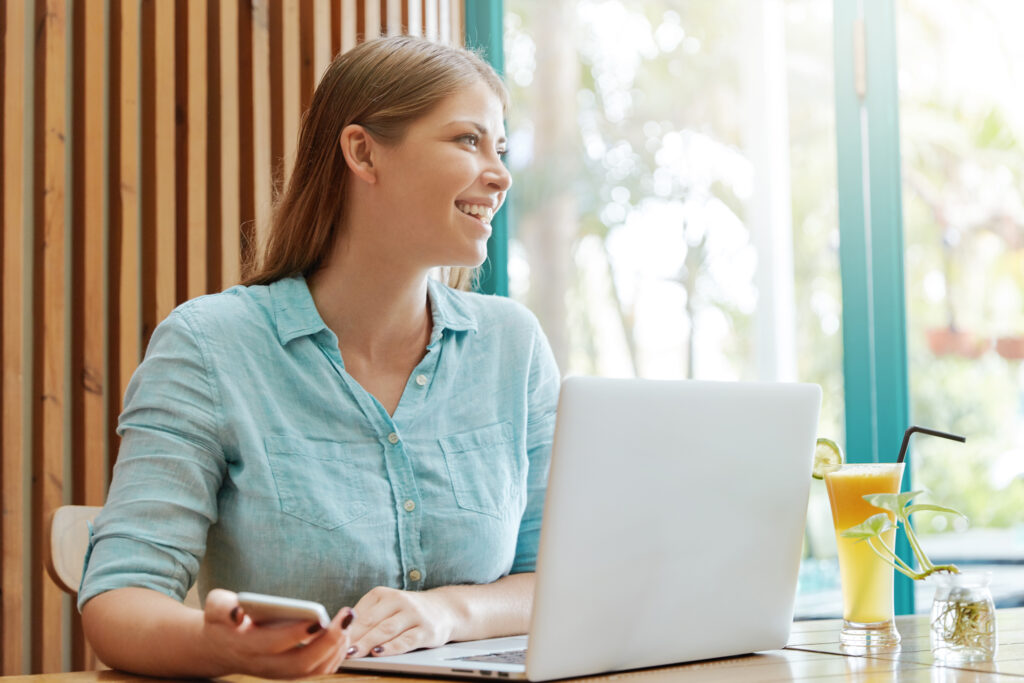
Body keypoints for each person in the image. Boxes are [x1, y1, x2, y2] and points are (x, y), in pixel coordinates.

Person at [79, 35, 560, 679]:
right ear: (362, 152)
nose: (500, 174)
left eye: (498, 148)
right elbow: (117, 601)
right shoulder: (210, 346)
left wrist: (450, 611)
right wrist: (217, 645)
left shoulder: (514, 346)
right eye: (467, 141)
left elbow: (557, 576)